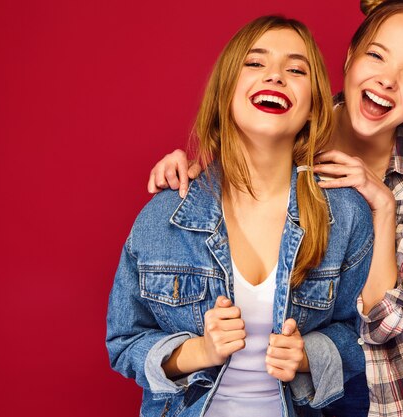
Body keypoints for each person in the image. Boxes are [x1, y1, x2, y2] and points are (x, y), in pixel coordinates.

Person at [146, 1, 403, 416]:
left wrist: (383, 206)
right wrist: (192, 168)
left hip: (380, 384)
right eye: (376, 55)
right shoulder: (294, 119)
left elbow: (383, 325)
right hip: (291, 382)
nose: (388, 80)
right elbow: (234, 168)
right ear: (350, 56)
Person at [106, 15, 375, 417]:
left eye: (296, 69)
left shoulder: (346, 214)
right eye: (255, 63)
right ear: (225, 91)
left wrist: (308, 356)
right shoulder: (164, 216)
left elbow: (365, 337)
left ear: (314, 107)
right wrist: (200, 350)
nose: (276, 76)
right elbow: (124, 342)